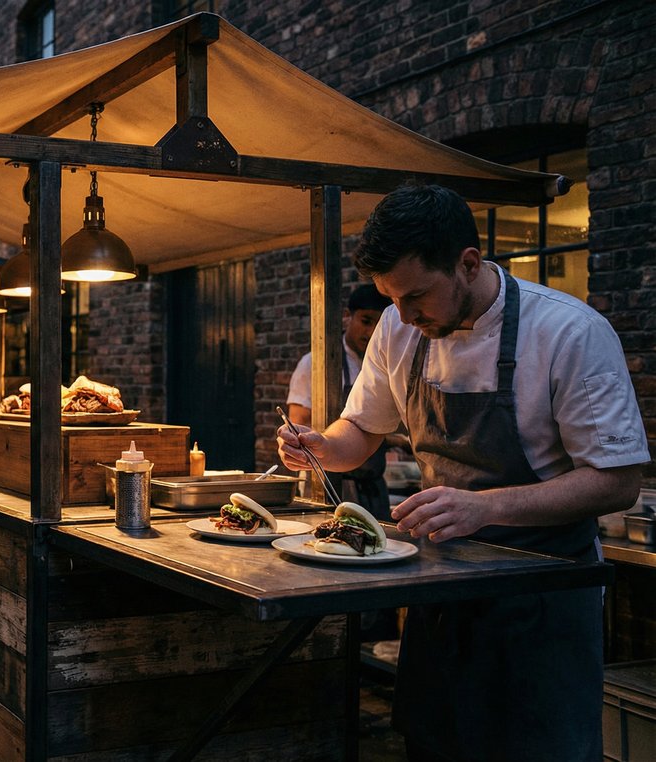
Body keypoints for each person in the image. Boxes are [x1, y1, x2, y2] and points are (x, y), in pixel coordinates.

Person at [277, 184, 648, 761]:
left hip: (542, 594)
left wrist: (487, 506)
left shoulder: (570, 333)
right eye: (390, 299)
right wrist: (321, 446)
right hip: (442, 587)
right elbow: (360, 435)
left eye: (417, 295)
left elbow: (617, 482)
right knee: (435, 744)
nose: (402, 316)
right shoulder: (402, 328)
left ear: (468, 263)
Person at [285, 283, 395, 519]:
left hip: (373, 484)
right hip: (330, 483)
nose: (371, 332)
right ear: (347, 316)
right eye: (366, 321)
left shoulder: (385, 363)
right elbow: (299, 425)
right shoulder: (314, 363)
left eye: (379, 324)